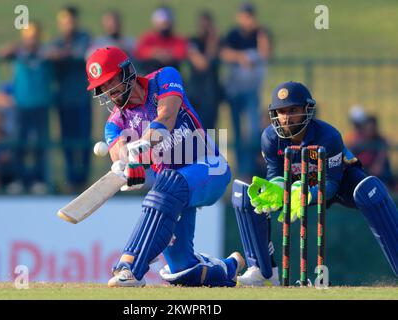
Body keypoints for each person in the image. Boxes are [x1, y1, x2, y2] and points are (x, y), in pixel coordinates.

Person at [85, 46, 244, 287]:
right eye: (103, 87)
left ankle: (130, 266)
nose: (110, 91)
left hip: (210, 168)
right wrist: (127, 165)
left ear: (127, 72)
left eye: (112, 81)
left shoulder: (163, 78)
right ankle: (228, 267)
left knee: (167, 184)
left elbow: (167, 117)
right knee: (183, 271)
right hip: (171, 193)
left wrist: (140, 148)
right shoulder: (114, 124)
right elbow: (119, 152)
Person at [231, 81, 398, 286]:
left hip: (338, 181)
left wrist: (307, 193)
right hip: (294, 187)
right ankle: (264, 273)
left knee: (371, 191)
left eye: (293, 110)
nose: (287, 117)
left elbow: (331, 183)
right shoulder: (270, 138)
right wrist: (277, 190)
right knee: (246, 195)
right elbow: (275, 174)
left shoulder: (328, 136)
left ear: (307, 110)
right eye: (281, 111)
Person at [0, 21, 53, 194]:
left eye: (34, 37)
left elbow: (58, 54)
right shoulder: (19, 52)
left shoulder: (45, 53)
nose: (32, 41)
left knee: (39, 144)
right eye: (29, 37)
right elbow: (2, 52)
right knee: (19, 143)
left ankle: (39, 179)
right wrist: (19, 47)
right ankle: (19, 179)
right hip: (22, 105)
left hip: (40, 105)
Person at [220, 3, 271, 179]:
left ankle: (250, 168)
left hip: (252, 90)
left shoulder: (260, 33)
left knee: (253, 130)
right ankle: (241, 169)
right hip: (235, 90)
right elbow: (224, 53)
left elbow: (265, 53)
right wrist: (240, 57)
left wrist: (260, 33)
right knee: (237, 131)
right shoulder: (233, 34)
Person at [48, 6, 92, 193]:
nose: (68, 25)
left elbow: (81, 54)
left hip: (81, 98)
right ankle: (70, 180)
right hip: (64, 99)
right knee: (66, 140)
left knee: (84, 140)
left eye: (70, 20)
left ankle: (83, 180)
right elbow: (50, 55)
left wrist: (63, 55)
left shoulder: (84, 38)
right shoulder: (57, 42)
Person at [187, 11, 222, 131]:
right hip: (196, 93)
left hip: (211, 93)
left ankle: (210, 149)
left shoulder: (216, 43)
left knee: (211, 129)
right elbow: (202, 64)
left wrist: (212, 39)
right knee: (196, 127)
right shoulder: (193, 42)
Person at [133, 6, 188, 75]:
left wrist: (169, 54)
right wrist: (154, 53)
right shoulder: (148, 38)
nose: (165, 27)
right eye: (162, 24)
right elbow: (139, 51)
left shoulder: (178, 39)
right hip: (151, 75)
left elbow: (182, 51)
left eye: (167, 24)